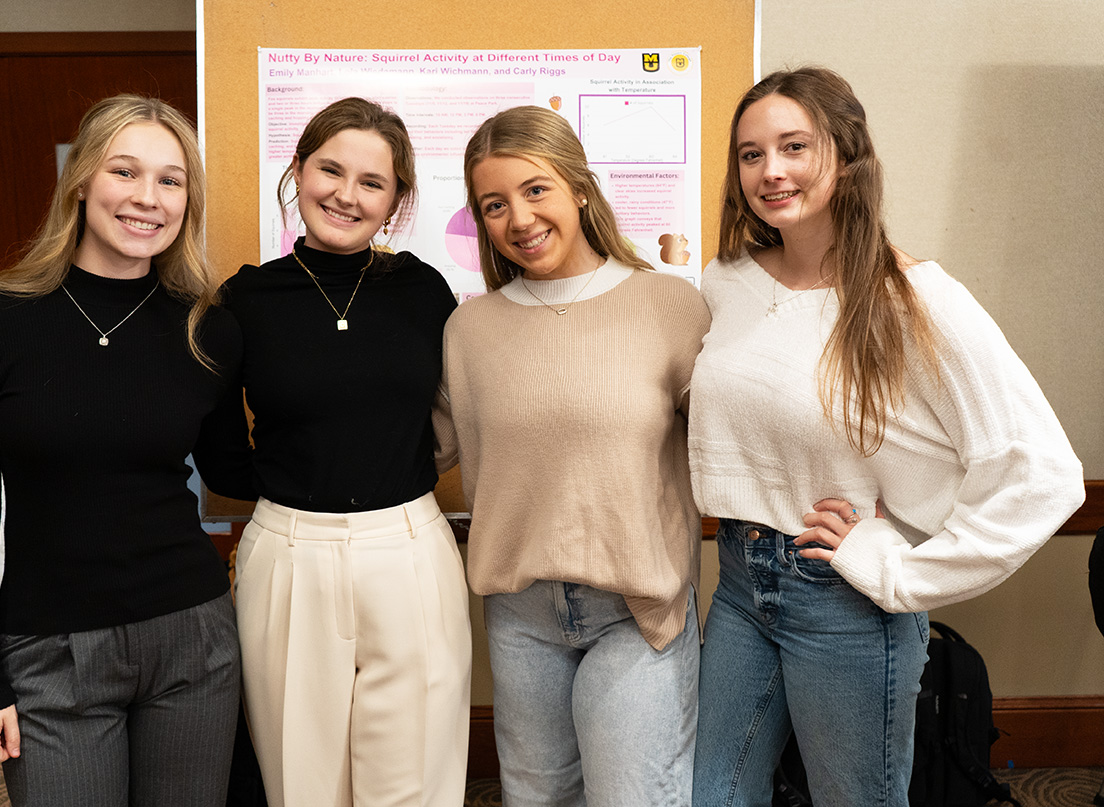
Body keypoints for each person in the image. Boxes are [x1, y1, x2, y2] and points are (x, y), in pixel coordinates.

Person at [688, 67, 1085, 806]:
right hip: (740, 581)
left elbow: (1044, 474)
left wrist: (903, 572)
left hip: (843, 601)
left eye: (793, 146)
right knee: (707, 795)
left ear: (846, 154)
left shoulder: (914, 296)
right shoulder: (727, 281)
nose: (770, 170)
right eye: (750, 154)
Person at [0, 94, 255, 806]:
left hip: (191, 639)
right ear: (81, 179)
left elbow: (235, 471)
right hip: (49, 647)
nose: (148, 198)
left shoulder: (207, 328)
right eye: (125, 171)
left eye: (171, 180)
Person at [433, 105, 710, 806]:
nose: (518, 219)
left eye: (535, 190)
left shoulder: (669, 305)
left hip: (637, 608)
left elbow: (729, 440)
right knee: (535, 797)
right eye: (494, 205)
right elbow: (423, 449)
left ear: (579, 188)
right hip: (520, 613)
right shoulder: (469, 328)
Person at [224, 97, 472, 807]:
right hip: (289, 551)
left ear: (397, 200)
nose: (345, 193)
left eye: (373, 182)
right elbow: (203, 430)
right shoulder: (245, 299)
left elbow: (464, 409)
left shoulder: (423, 291)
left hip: (410, 546)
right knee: (301, 781)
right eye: (330, 169)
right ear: (298, 170)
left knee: (416, 779)